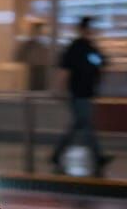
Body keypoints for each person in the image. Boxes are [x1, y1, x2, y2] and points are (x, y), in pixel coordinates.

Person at [51, 16, 111, 174]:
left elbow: (102, 63)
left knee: (79, 124)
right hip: (78, 94)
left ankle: (56, 154)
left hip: (88, 93)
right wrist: (59, 89)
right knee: (85, 124)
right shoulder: (75, 47)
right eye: (90, 28)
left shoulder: (92, 48)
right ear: (84, 29)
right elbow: (65, 70)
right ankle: (98, 157)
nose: (92, 31)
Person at [15, 19, 48, 92]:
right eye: (36, 30)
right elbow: (19, 57)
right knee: (32, 89)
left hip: (41, 70)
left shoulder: (44, 44)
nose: (37, 32)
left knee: (40, 89)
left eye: (39, 30)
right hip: (31, 70)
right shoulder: (28, 44)